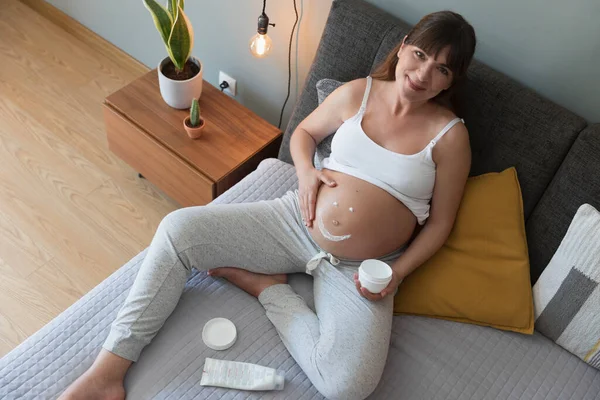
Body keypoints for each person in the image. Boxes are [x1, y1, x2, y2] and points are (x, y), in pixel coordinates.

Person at [59, 10, 476, 400]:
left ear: (449, 82)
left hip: (362, 268)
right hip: (296, 220)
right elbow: (305, 135)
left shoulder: (450, 137)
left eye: (440, 68)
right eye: (419, 54)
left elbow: (440, 224)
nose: (422, 73)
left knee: (349, 384)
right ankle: (108, 371)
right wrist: (307, 173)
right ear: (403, 47)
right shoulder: (359, 93)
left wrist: (397, 274)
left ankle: (268, 289)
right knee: (177, 230)